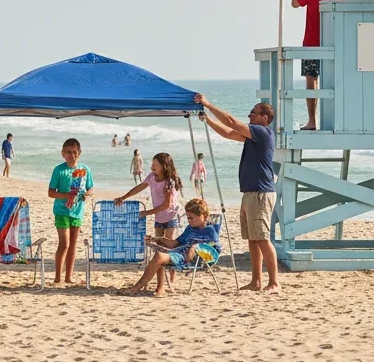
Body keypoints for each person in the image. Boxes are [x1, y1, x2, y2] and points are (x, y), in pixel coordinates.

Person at [197, 93, 279, 294]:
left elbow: (232, 122)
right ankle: (256, 281)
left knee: (262, 238)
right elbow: (227, 132)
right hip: (250, 192)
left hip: (261, 192)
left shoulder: (262, 133)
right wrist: (207, 119)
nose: (250, 115)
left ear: (265, 118)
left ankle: (274, 282)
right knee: (253, 239)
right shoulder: (252, 137)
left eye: (254, 113)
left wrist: (208, 104)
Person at [292, 0, 346, 130]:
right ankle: (338, 121)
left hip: (312, 44)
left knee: (312, 81)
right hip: (334, 44)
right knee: (334, 81)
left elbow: (294, 3)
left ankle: (312, 121)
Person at [127, 198, 220, 297]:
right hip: (179, 254)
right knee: (160, 249)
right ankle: (159, 288)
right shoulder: (190, 229)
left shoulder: (210, 231)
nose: (189, 221)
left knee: (159, 256)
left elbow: (214, 249)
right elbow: (175, 243)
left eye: (192, 218)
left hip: (193, 259)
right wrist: (156, 239)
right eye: (188, 218)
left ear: (203, 216)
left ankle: (137, 287)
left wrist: (195, 247)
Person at [48, 138, 93, 286]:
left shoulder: (84, 170)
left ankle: (68, 276)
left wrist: (86, 194)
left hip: (77, 211)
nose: (71, 155)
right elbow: (51, 192)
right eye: (68, 152)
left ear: (79, 153)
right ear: (63, 154)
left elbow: (90, 188)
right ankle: (57, 277)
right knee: (64, 243)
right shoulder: (59, 170)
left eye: (74, 152)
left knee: (73, 244)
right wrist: (67, 195)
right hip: (61, 210)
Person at [114, 152, 185, 246]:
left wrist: (147, 212)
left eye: (155, 165)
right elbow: (140, 187)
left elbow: (167, 205)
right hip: (159, 216)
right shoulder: (152, 176)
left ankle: (169, 260)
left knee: (168, 242)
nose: (152, 167)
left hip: (172, 216)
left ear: (164, 166)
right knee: (159, 243)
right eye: (152, 164)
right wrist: (123, 197)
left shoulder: (169, 182)